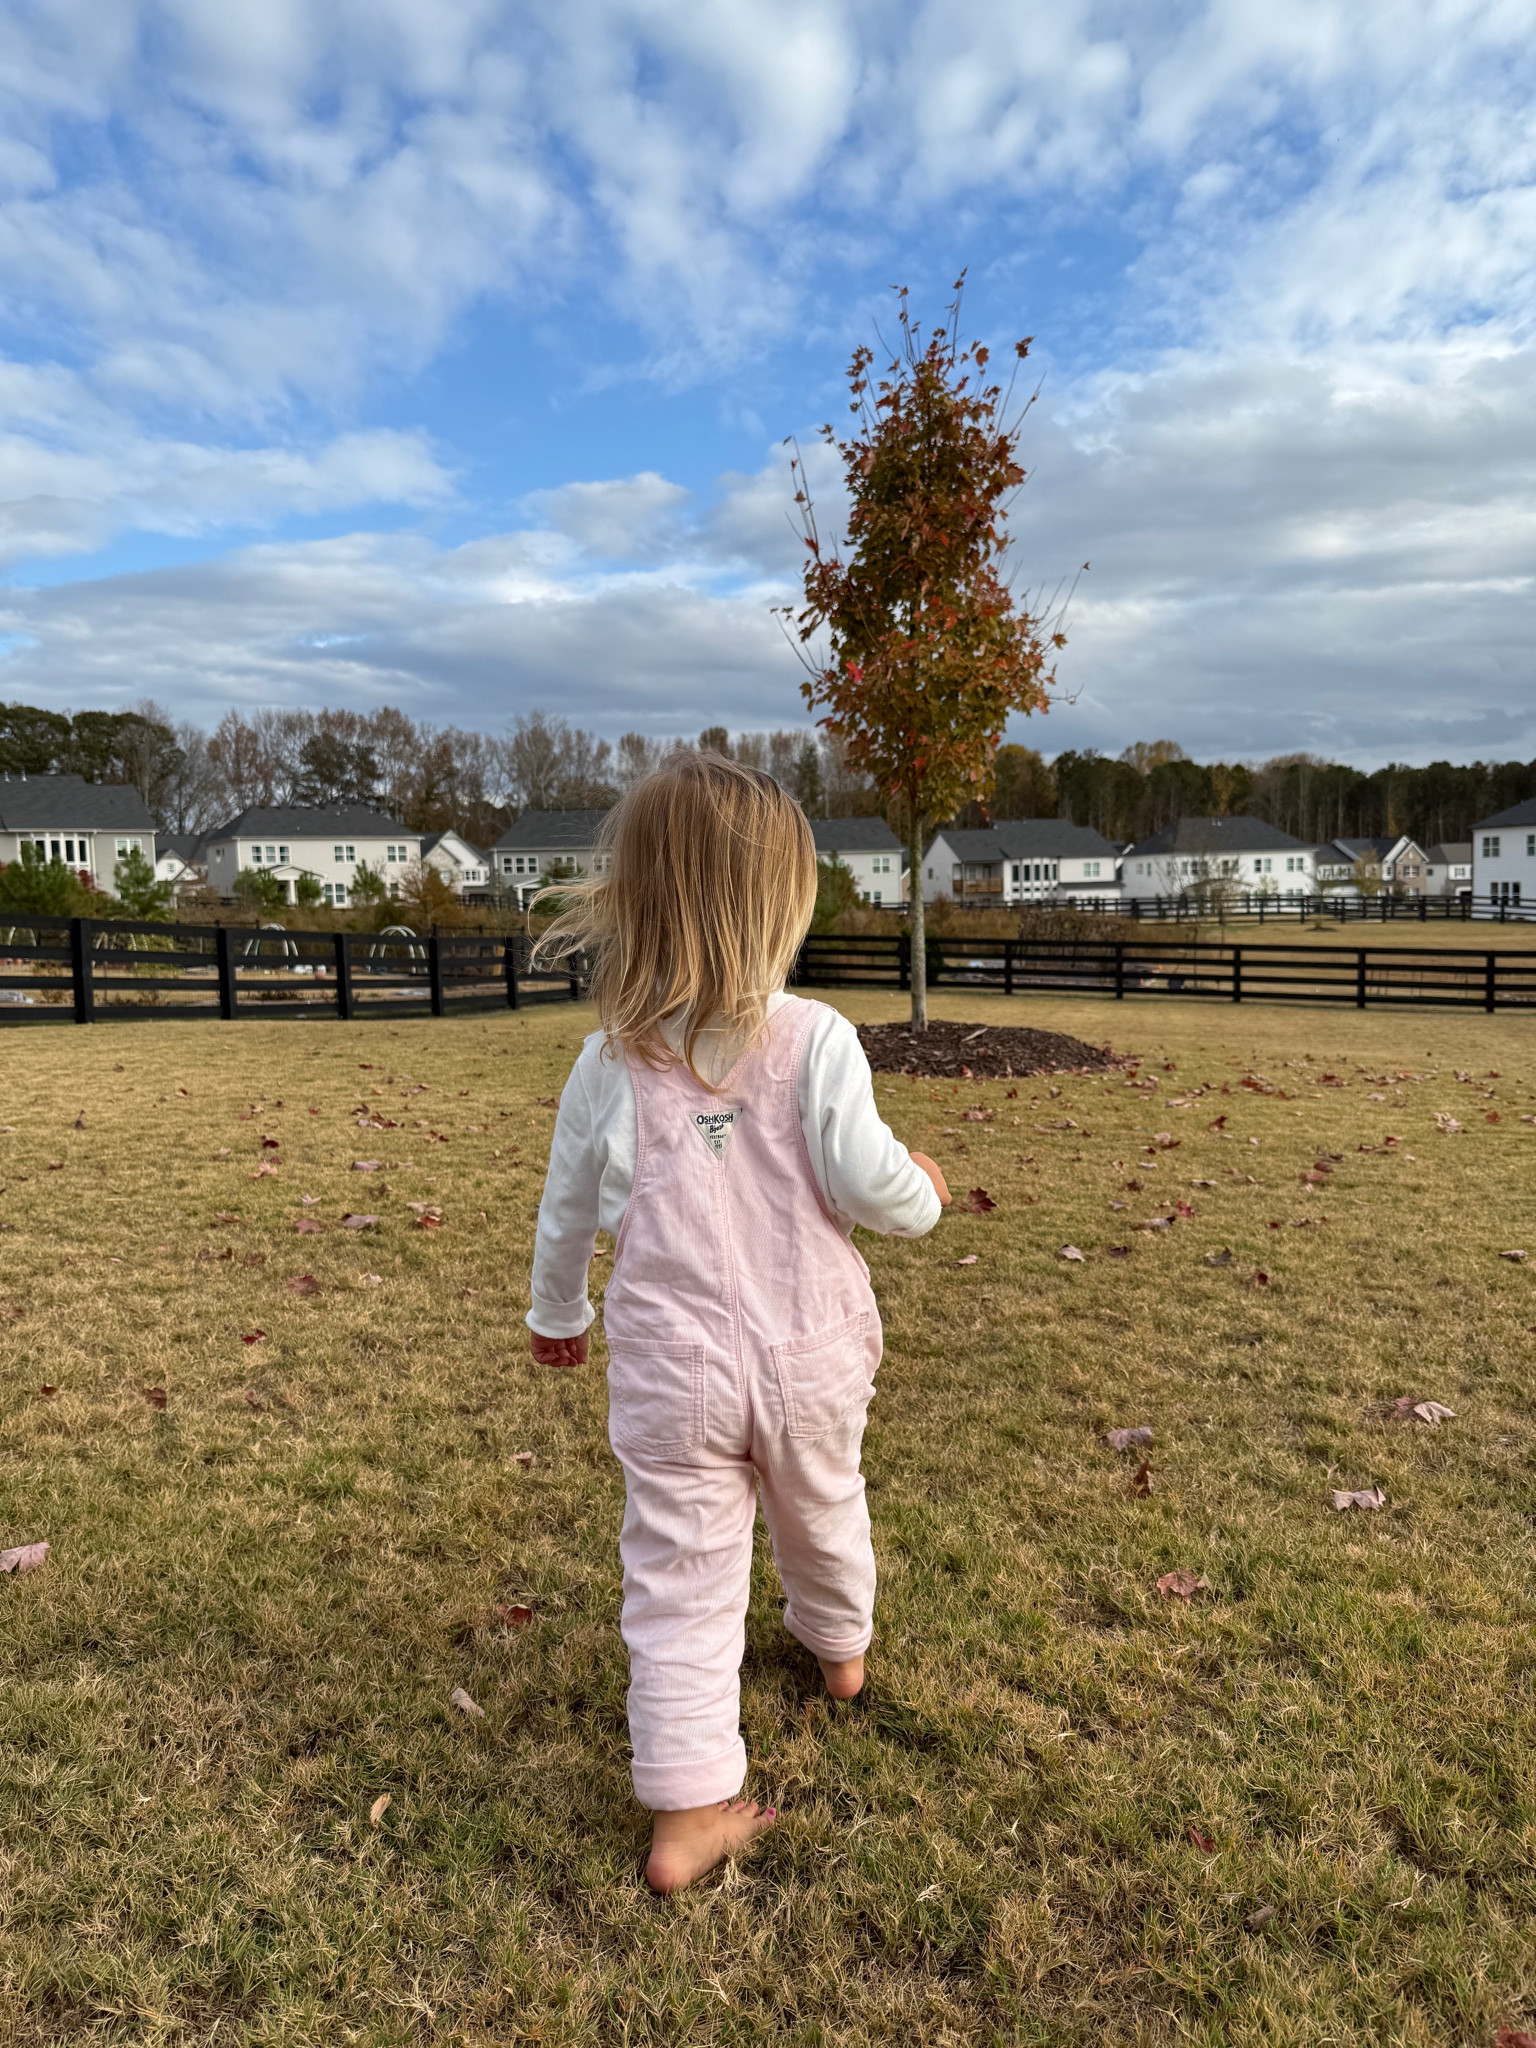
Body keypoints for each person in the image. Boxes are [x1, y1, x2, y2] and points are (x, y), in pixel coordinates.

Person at [526, 751, 950, 1892]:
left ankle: (687, 1808)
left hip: (673, 1375)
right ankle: (842, 1651)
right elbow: (870, 1185)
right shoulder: (816, 1040)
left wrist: (555, 1311)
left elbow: (567, 1206)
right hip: (811, 1353)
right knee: (825, 1504)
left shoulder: (606, 1060)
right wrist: (928, 1187)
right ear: (780, 908)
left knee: (679, 1572)